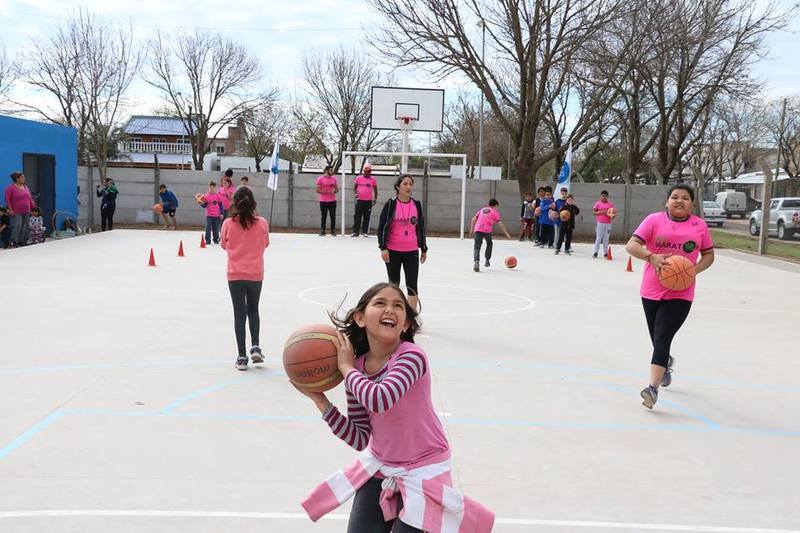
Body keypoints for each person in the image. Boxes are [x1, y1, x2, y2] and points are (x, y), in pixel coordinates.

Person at [299, 282, 495, 532]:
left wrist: (346, 369)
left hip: (424, 470)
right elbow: (360, 437)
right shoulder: (357, 368)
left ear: (405, 324)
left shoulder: (411, 356)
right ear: (360, 318)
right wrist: (320, 399)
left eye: (398, 306)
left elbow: (380, 399)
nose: (390, 309)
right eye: (380, 303)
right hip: (382, 465)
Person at [625, 184, 715, 409]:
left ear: (692, 205)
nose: (679, 201)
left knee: (663, 337)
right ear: (667, 202)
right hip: (651, 290)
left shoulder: (699, 226)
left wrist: (692, 271)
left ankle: (652, 389)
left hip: (681, 293)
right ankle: (665, 363)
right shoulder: (654, 221)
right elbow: (631, 245)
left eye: (685, 198)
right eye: (674, 197)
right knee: (657, 339)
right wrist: (651, 256)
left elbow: (709, 255)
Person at [220, 187, 270, 371]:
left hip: (235, 274)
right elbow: (266, 243)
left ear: (235, 202)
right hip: (255, 273)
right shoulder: (262, 222)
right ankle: (255, 346)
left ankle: (242, 357)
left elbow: (223, 245)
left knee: (239, 314)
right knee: (253, 310)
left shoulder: (228, 223)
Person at [377, 174, 428, 311]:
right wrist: (383, 247)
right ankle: (393, 315)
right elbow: (382, 227)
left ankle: (411, 318)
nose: (408, 186)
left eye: (410, 184)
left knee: (412, 285)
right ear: (398, 186)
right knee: (393, 286)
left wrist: (423, 248)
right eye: (405, 184)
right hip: (392, 251)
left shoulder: (416, 205)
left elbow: (421, 227)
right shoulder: (391, 204)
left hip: (411, 251)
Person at [470, 198, 512, 272]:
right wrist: (506, 233)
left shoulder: (482, 210)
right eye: (497, 207)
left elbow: (473, 219)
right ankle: (487, 260)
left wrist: (471, 230)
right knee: (489, 244)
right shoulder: (494, 212)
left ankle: (476, 262)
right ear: (495, 205)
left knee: (477, 246)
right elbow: (500, 224)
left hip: (478, 229)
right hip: (487, 230)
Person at [4, 172, 36, 246]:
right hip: (16, 211)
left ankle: (21, 241)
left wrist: (33, 207)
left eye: (24, 177)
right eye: (22, 177)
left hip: (27, 210)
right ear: (17, 179)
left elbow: (29, 198)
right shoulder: (10, 188)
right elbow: (7, 199)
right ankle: (14, 241)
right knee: (17, 226)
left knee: (25, 226)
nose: (24, 179)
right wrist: (10, 209)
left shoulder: (26, 187)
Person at [352, 164, 378, 237]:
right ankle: (355, 232)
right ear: (364, 171)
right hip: (360, 200)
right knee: (357, 216)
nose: (368, 173)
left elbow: (375, 190)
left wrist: (375, 199)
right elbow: (355, 188)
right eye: (367, 171)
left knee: (367, 216)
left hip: (368, 201)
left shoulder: (373, 179)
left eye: (369, 171)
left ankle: (364, 232)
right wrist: (355, 194)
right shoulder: (358, 178)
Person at [316, 165, 339, 236]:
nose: (332, 172)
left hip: (332, 201)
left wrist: (334, 191)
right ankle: (322, 231)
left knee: (333, 216)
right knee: (324, 216)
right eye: (330, 170)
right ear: (326, 171)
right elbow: (317, 190)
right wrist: (326, 192)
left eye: (332, 170)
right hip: (323, 201)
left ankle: (333, 230)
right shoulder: (320, 179)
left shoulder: (334, 179)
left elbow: (337, 189)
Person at [592, 190, 615, 258]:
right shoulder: (598, 203)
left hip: (608, 224)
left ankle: (605, 252)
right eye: (603, 196)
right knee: (598, 238)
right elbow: (594, 213)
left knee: (606, 239)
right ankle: (595, 252)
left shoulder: (610, 205)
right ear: (601, 196)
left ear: (607, 197)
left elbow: (613, 214)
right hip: (600, 223)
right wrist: (602, 212)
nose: (604, 197)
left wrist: (613, 216)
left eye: (605, 196)